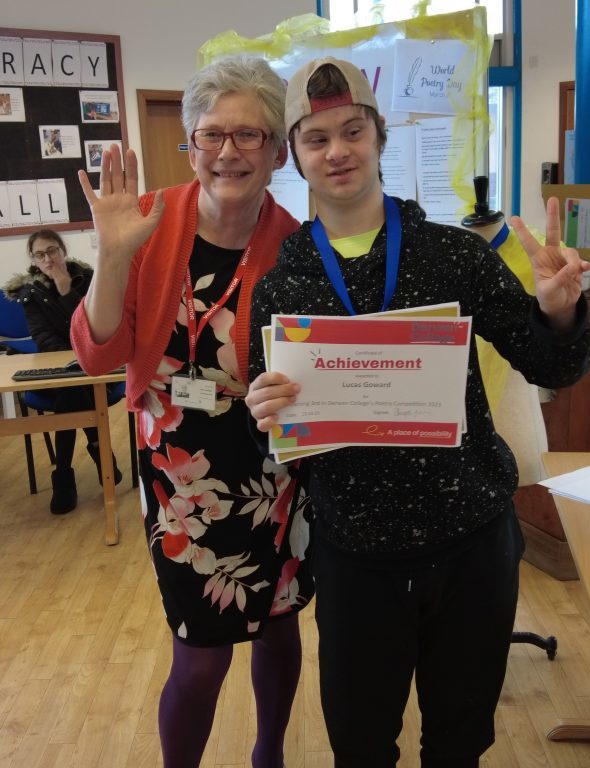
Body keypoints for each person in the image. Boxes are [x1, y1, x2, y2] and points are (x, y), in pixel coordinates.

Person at [245, 57, 590, 768]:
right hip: (354, 551)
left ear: (377, 135)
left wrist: (558, 311)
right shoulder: (282, 282)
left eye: (351, 131)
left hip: (470, 541)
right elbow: (278, 427)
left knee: (461, 738)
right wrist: (262, 404)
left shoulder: (453, 256)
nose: (337, 151)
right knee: (361, 742)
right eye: (316, 139)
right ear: (296, 156)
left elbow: (552, 365)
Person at [70, 56, 314, 768]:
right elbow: (94, 355)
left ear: (276, 150)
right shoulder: (147, 223)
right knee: (200, 654)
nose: (228, 152)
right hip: (182, 472)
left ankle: (268, 753)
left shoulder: (298, 245)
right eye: (211, 135)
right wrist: (111, 258)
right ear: (190, 142)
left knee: (277, 625)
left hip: (274, 469)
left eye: (250, 135)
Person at [3, 229, 122, 514]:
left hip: (95, 368)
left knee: (71, 395)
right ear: (34, 259)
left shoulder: (89, 280)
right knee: (71, 390)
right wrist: (74, 354)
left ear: (63, 250)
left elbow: (95, 327)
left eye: (52, 251)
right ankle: (100, 452)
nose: (48, 259)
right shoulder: (29, 294)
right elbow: (43, 340)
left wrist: (67, 290)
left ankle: (64, 477)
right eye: (40, 255)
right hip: (56, 372)